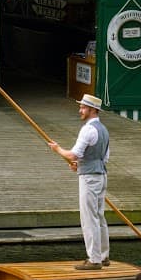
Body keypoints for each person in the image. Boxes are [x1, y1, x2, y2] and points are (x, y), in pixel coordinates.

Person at [48, 93, 110, 270]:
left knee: (89, 218)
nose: (80, 110)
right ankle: (103, 256)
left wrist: (57, 149)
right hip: (101, 176)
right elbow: (104, 157)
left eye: (83, 107)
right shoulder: (103, 130)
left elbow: (73, 154)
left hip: (90, 179)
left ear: (92, 110)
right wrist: (80, 165)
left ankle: (94, 259)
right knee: (99, 216)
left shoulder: (88, 129)